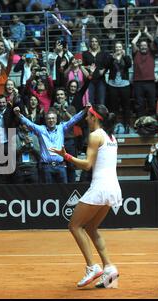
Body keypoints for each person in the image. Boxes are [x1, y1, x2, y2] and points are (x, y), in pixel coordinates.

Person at [48, 104, 121, 289]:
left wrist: (67, 156)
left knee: (74, 225)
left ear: (94, 118)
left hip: (100, 188)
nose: (86, 119)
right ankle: (109, 267)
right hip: (113, 188)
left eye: (88, 116)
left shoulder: (95, 135)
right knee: (91, 227)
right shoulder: (111, 137)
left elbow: (87, 165)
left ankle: (92, 267)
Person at [13, 106, 87, 184]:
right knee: (48, 193)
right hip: (46, 167)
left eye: (53, 118)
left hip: (60, 166)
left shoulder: (61, 128)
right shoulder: (41, 130)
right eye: (49, 118)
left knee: (64, 192)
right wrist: (18, 115)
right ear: (46, 120)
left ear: (56, 120)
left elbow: (73, 120)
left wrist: (85, 110)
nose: (51, 120)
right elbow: (29, 124)